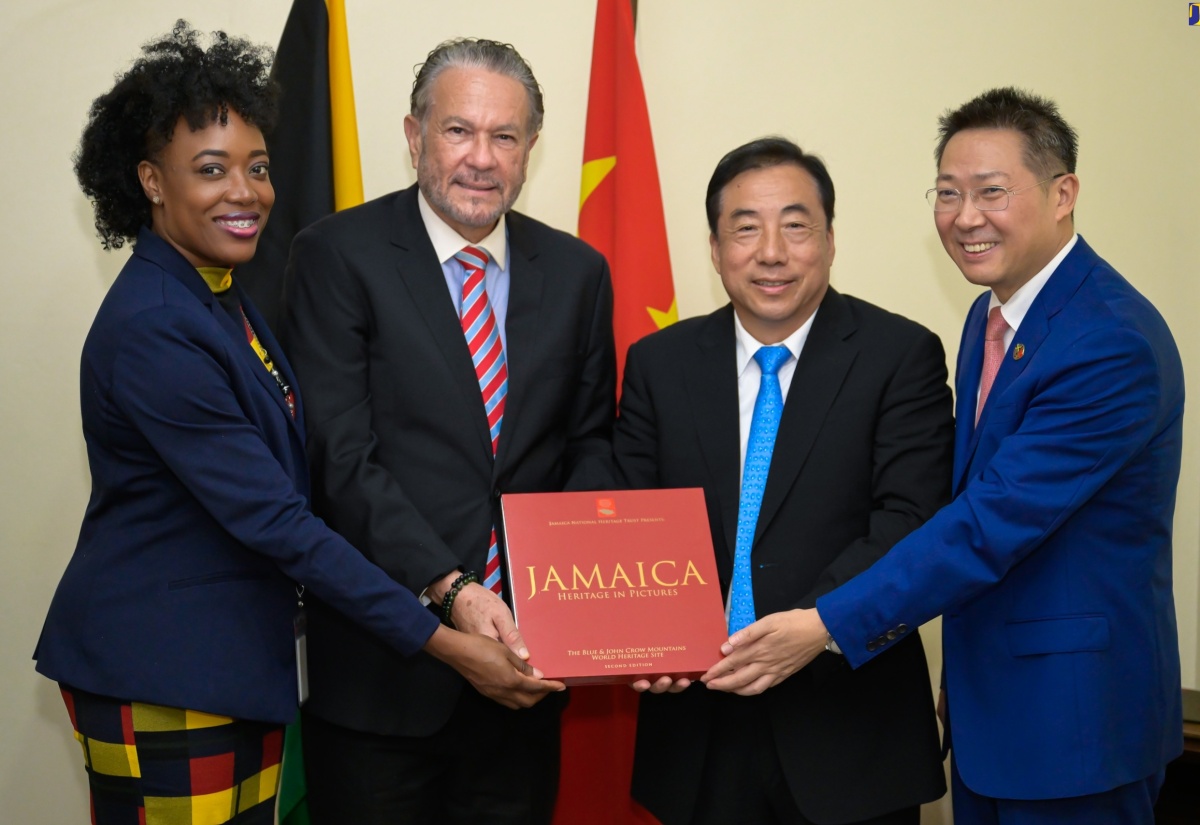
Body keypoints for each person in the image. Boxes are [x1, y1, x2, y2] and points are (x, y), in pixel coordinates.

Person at [33, 23, 553, 825]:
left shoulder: (218, 297)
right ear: (150, 180)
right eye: (210, 170)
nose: (243, 192)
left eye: (258, 167)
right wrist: (445, 635)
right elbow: (280, 520)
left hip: (235, 666)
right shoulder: (156, 324)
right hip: (165, 669)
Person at [759, 88, 1185, 823]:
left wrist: (827, 621)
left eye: (992, 192)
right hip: (995, 711)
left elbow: (990, 521)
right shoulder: (993, 315)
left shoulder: (1108, 341)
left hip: (1076, 726)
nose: (964, 217)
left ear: (1063, 194)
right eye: (948, 193)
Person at [280, 37, 616, 824]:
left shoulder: (577, 273)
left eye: (505, 136)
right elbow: (342, 456)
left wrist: (567, 593)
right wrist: (452, 587)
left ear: (532, 147)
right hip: (380, 682)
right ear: (413, 134)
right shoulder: (336, 255)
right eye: (459, 130)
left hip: (527, 681)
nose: (481, 158)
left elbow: (592, 442)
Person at [614, 137, 951, 825]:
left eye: (796, 226)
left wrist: (816, 625)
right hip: (697, 732)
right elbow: (630, 519)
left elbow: (911, 518)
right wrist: (641, 632)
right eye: (746, 228)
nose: (772, 251)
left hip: (848, 726)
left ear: (829, 240)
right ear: (714, 249)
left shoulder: (899, 355)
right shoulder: (659, 363)